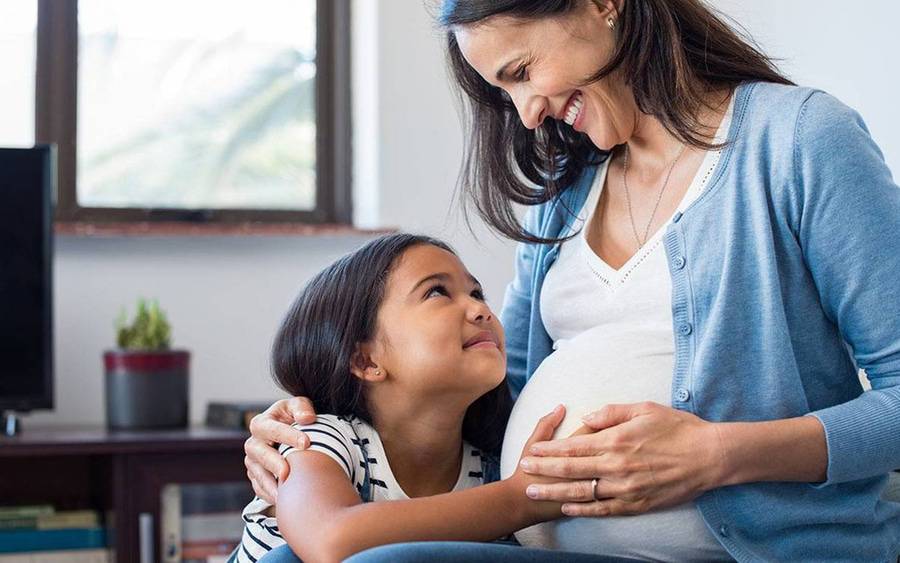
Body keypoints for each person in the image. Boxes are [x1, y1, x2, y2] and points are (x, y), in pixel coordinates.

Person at [244, 0, 900, 561]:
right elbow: (503, 404)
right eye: (505, 92)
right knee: (288, 553)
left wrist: (716, 454)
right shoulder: (563, 197)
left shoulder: (801, 141)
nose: (527, 113)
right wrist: (313, 433)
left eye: (523, 71)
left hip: (747, 547)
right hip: (539, 542)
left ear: (603, 5)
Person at [231, 233, 642, 563]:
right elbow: (330, 542)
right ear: (365, 359)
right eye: (437, 293)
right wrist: (521, 499)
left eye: (477, 293)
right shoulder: (320, 442)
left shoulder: (486, 466)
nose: (480, 310)